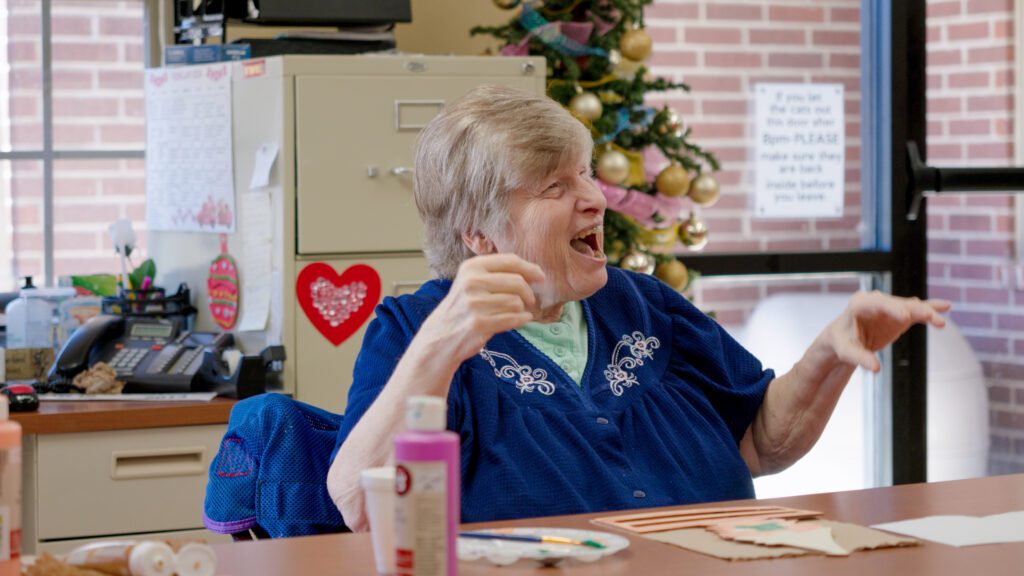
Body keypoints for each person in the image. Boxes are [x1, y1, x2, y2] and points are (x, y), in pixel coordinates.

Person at [326, 85, 949, 532]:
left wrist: (828, 355)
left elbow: (760, 442)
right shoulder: (416, 331)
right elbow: (359, 506)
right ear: (479, 235)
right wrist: (442, 345)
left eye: (587, 174)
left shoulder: (643, 303)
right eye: (556, 186)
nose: (595, 198)